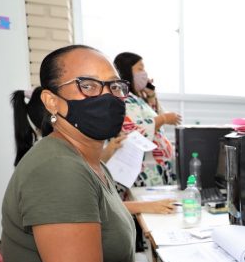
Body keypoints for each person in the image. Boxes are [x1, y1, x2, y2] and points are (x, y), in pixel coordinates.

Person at [0, 45, 220, 262]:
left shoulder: (91, 163)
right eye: (88, 86)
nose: (109, 97)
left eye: (115, 87)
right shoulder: (58, 167)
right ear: (52, 101)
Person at [10, 87, 176, 215]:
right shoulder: (53, 161)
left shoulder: (54, 150)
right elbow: (94, 208)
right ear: (53, 108)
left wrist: (108, 151)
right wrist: (147, 206)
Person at [114, 52, 181, 187]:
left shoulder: (137, 99)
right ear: (127, 71)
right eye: (140, 68)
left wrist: (151, 96)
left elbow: (151, 117)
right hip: (143, 170)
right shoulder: (122, 99)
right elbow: (131, 131)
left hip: (156, 167)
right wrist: (164, 119)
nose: (144, 73)